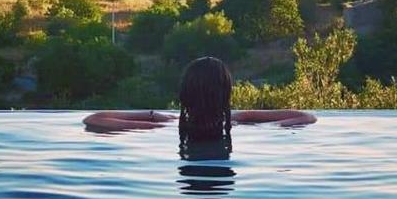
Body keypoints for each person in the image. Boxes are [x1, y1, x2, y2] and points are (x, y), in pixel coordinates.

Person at [82, 56, 316, 135]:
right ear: (226, 92)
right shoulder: (236, 120)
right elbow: (306, 117)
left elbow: (93, 119)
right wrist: (263, 127)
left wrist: (152, 120)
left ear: (185, 92)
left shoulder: (169, 123)